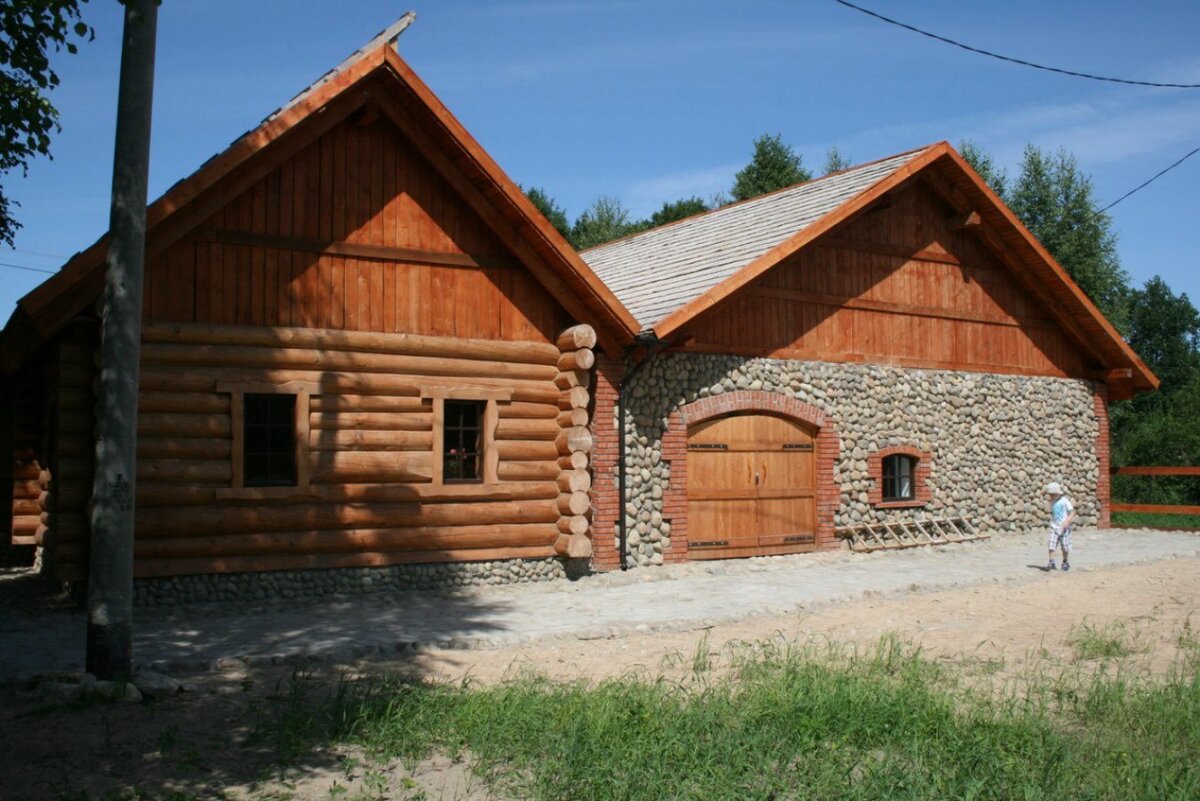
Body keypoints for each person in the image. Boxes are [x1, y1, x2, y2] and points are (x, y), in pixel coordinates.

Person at [1045, 482, 1076, 572]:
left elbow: (1073, 512)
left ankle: (1065, 562)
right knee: (1051, 544)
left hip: (1064, 528)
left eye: (1052, 494)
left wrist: (1067, 521)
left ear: (1057, 493)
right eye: (1050, 495)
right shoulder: (1052, 502)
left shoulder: (1064, 501)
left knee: (1065, 547)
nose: (1051, 496)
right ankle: (1051, 561)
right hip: (1054, 527)